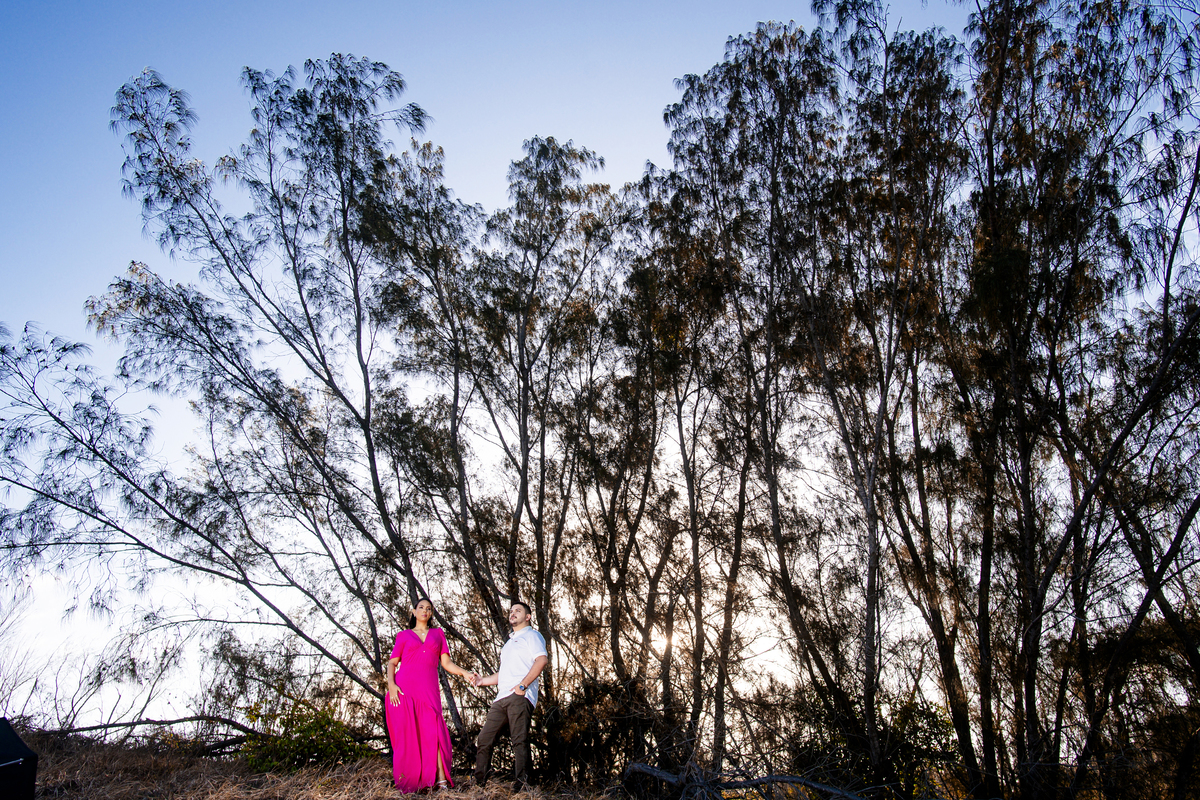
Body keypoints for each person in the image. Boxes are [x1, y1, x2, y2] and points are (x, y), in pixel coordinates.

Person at [386, 597, 477, 793]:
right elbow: (392, 663)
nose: (425, 611)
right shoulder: (403, 635)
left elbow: (446, 663)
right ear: (413, 611)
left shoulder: (437, 634)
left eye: (429, 608)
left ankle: (442, 782)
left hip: (428, 690)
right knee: (408, 736)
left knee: (434, 732)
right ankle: (412, 782)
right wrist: (391, 685)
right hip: (404, 690)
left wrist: (465, 672)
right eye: (421, 607)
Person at [471, 601, 548, 788]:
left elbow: (541, 659)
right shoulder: (508, 645)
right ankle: (479, 785)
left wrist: (522, 686)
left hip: (519, 696)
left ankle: (522, 787)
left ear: (528, 617)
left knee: (519, 740)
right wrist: (482, 681)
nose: (513, 613)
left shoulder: (532, 636)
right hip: (501, 699)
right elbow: (503, 674)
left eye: (518, 611)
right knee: (484, 739)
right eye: (511, 611)